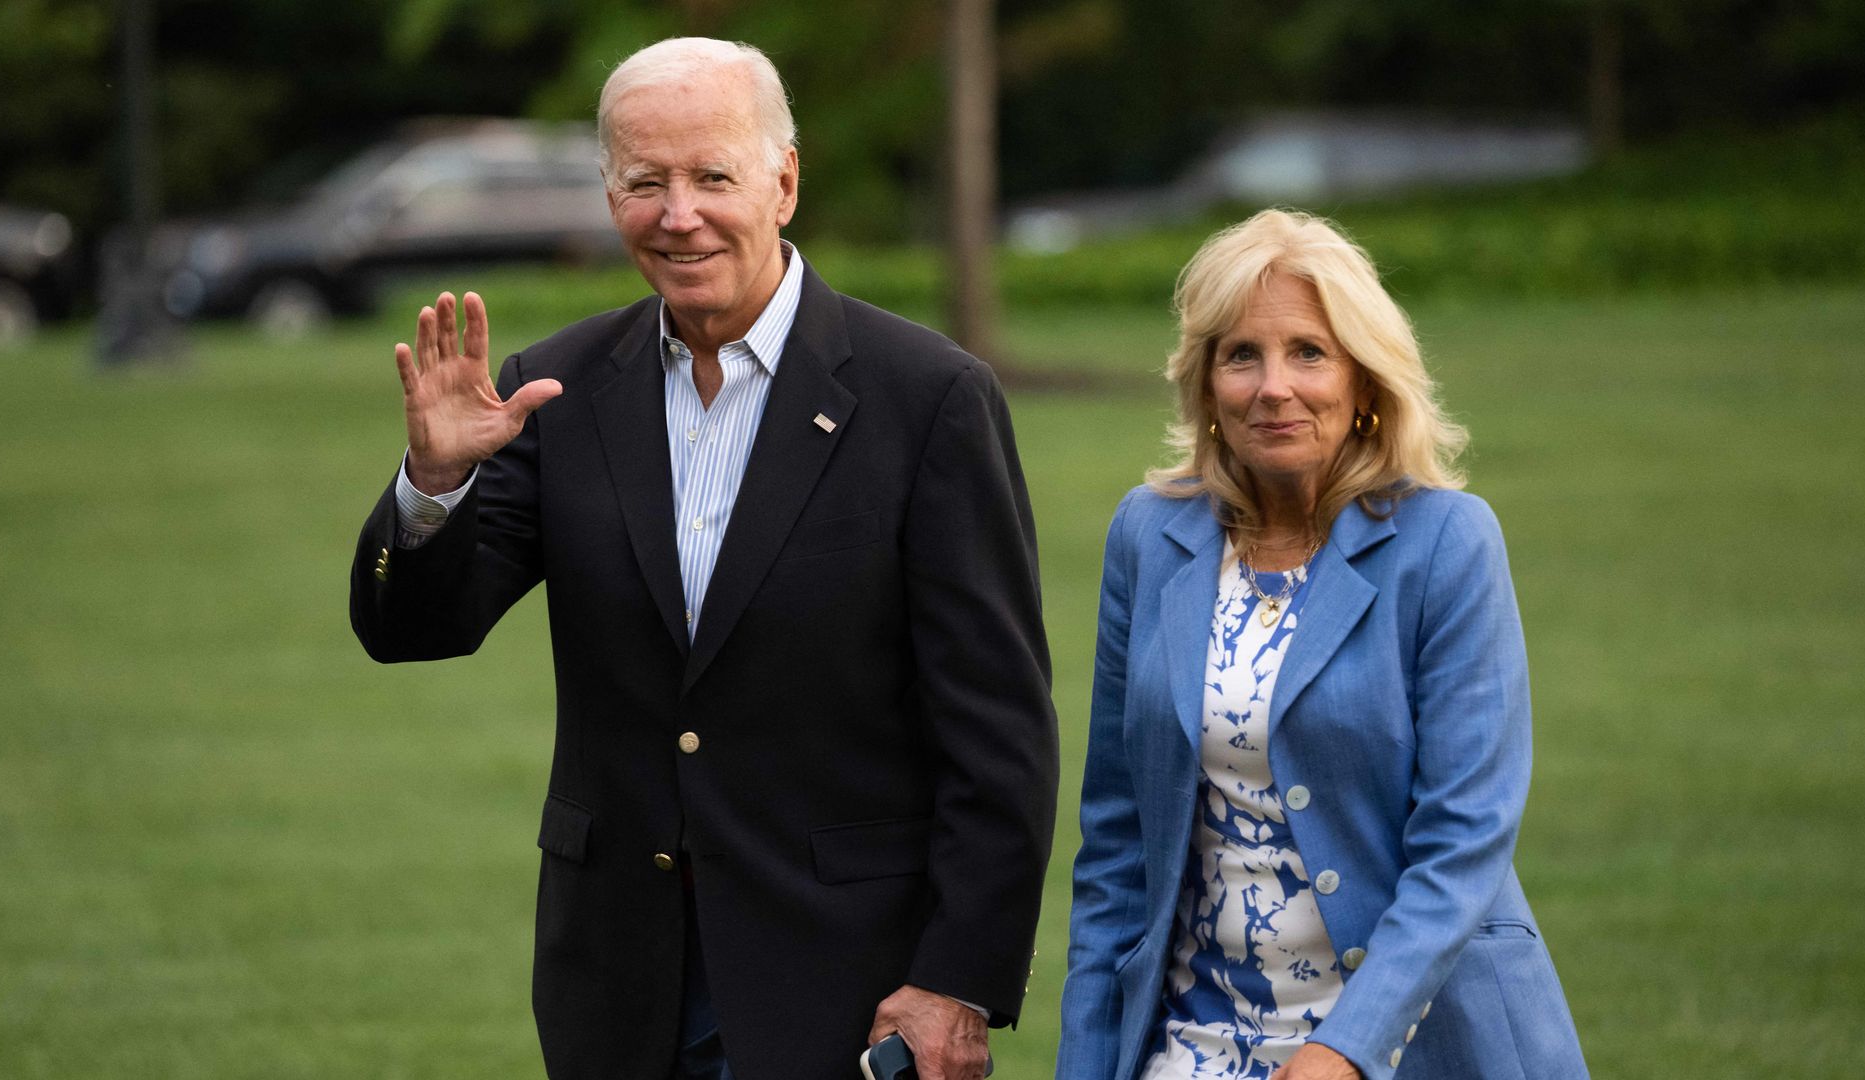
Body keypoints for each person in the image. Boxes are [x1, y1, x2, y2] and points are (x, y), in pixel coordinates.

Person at [349, 37, 1058, 1080]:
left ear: (784, 181)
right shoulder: (556, 391)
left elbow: (998, 730)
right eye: (646, 183)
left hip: (843, 990)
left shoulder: (927, 399)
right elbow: (414, 631)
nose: (678, 215)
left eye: (712, 177)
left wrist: (960, 980)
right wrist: (435, 486)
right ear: (609, 193)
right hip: (619, 987)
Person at [1054, 209, 1587, 1080]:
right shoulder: (1148, 536)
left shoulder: (1447, 542)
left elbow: (1464, 839)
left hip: (1408, 1041)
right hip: (1192, 1044)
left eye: (1309, 351)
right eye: (1241, 355)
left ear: (1366, 383)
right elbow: (1115, 847)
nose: (1274, 386)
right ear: (1205, 385)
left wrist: (1343, 1051)